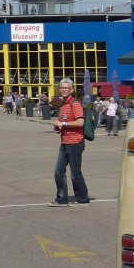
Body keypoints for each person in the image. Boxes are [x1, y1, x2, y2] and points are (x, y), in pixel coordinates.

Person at [49, 78, 90, 207]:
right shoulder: (63, 105)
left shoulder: (75, 104)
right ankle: (61, 199)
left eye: (66, 88)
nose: (64, 90)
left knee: (75, 173)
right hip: (65, 142)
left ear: (71, 90)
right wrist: (59, 127)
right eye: (62, 88)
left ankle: (83, 199)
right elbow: (65, 123)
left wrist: (64, 124)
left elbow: (80, 122)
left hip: (75, 142)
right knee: (58, 171)